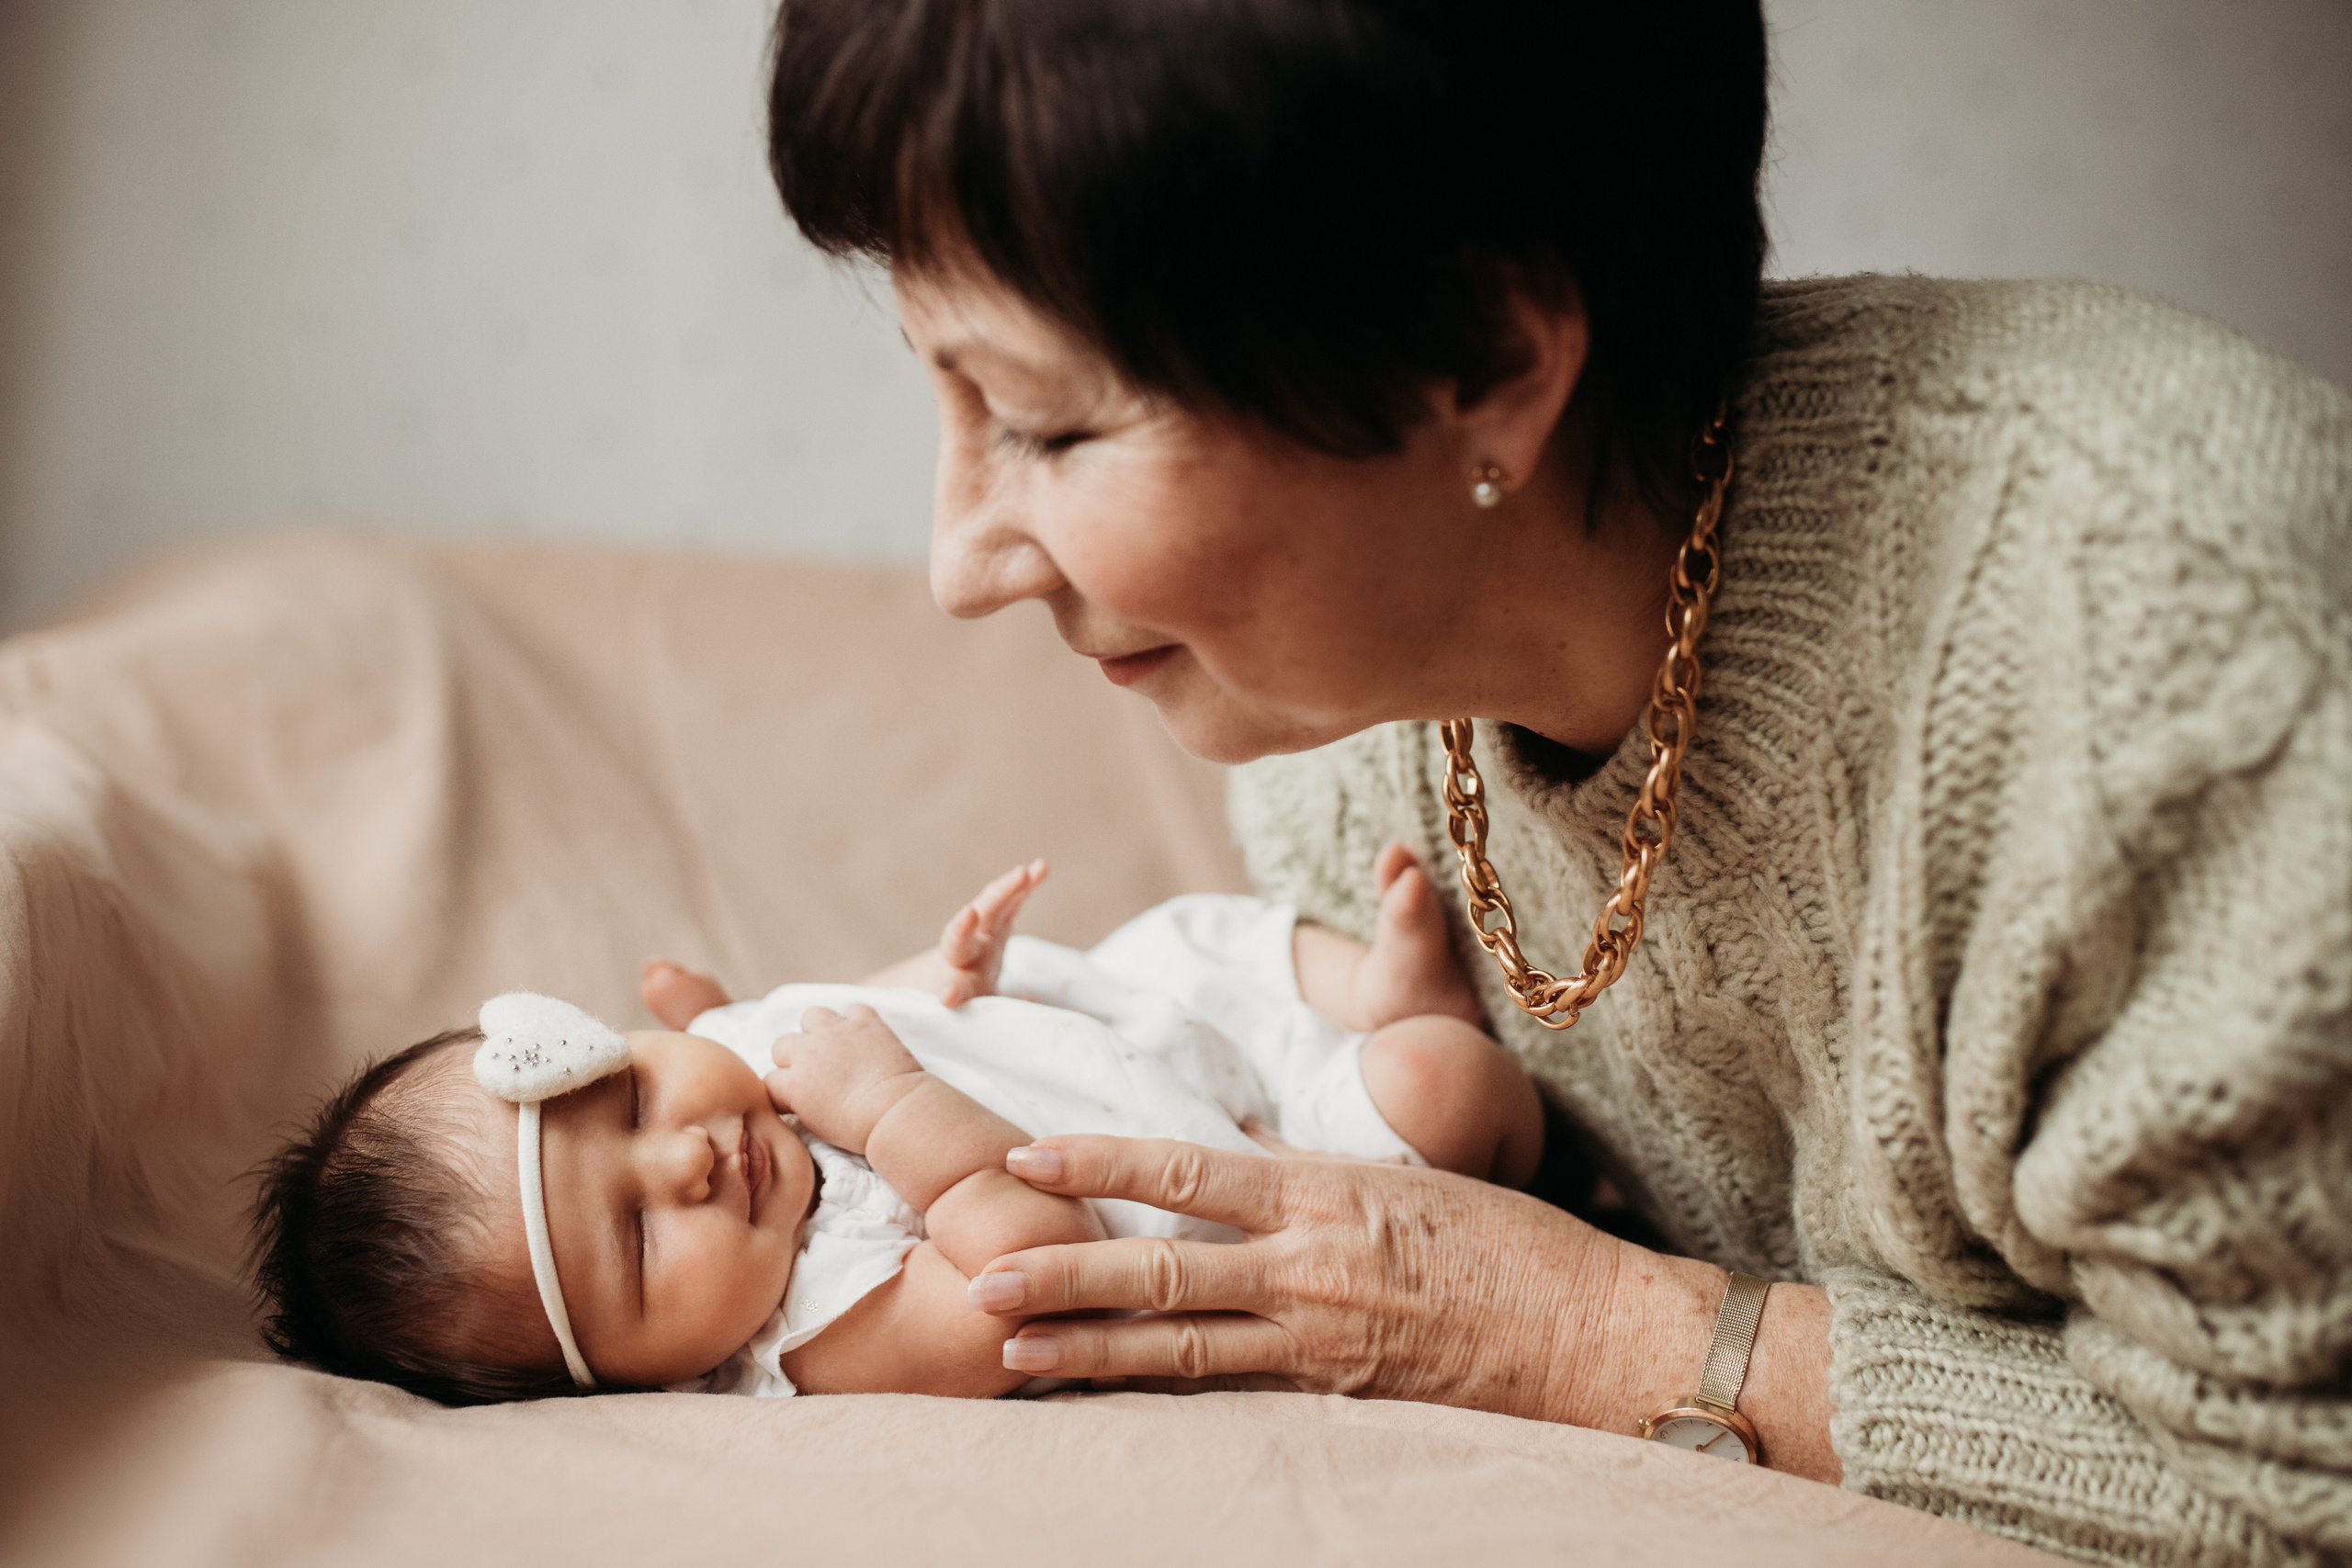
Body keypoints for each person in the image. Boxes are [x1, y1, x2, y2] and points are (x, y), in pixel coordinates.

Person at [762, 1, 2352, 1562]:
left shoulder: (2172, 671)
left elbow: (2301, 1475)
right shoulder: (1336, 758)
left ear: (1489, 362)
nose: (957, 563)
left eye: (1042, 421)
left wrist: (1577, 1324)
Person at [246, 856, 1542, 1403]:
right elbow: (1027, 1267)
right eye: (638, 1240)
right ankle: (1398, 1053)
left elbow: (836, 1010)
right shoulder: (820, 1327)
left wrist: (939, 970)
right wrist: (894, 1110)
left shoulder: (736, 1078)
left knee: (1190, 934)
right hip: (1254, 1183)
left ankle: (1339, 996)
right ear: (646, 1375)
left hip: (1167, 1039)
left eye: (632, 1099)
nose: (684, 1158)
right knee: (1445, 1088)